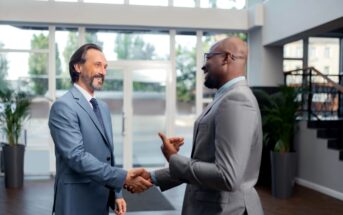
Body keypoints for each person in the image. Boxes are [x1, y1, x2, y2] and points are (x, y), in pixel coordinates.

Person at [147, 37, 264, 215]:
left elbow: (227, 176)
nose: (203, 65)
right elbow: (205, 164)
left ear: (226, 58)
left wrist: (173, 158)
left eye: (208, 57)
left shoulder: (236, 100)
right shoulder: (224, 97)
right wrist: (152, 178)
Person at [48, 43, 152, 215]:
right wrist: (122, 177)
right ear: (78, 67)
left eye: (105, 67)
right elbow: (76, 157)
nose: (103, 72)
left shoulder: (102, 107)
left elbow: (107, 156)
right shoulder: (63, 106)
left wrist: (117, 193)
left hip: (101, 198)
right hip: (76, 200)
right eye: (97, 65)